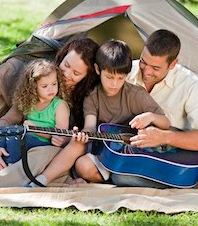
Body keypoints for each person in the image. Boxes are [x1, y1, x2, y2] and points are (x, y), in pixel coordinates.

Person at [75, 30, 198, 192]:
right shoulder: (126, 71)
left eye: (155, 68)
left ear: (173, 64)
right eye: (144, 62)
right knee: (123, 176)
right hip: (141, 152)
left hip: (185, 150)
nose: (146, 71)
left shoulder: (190, 85)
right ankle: (195, 185)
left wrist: (164, 136)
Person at [0, 37, 99, 187]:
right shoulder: (38, 83)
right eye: (66, 65)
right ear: (62, 56)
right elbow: (7, 120)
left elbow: (78, 141)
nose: (66, 74)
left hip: (52, 157)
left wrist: (63, 139)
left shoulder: (85, 98)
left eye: (76, 73)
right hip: (22, 150)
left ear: (86, 77)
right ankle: (21, 180)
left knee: (37, 157)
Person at [31, 39, 171, 186]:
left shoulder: (136, 94)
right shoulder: (92, 96)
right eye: (109, 77)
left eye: (120, 78)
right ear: (98, 70)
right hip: (105, 152)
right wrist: (84, 134)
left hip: (135, 154)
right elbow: (90, 126)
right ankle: (42, 180)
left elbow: (165, 122)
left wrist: (150, 117)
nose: (114, 84)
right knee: (82, 164)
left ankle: (121, 178)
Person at [0, 59, 69, 165]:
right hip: (27, 139)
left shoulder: (59, 105)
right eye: (44, 86)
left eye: (54, 84)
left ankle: (11, 165)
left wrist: (34, 128)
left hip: (44, 144)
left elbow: (58, 136)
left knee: (15, 137)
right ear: (33, 87)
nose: (51, 89)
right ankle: (0, 159)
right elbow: (6, 121)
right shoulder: (29, 103)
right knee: (7, 132)